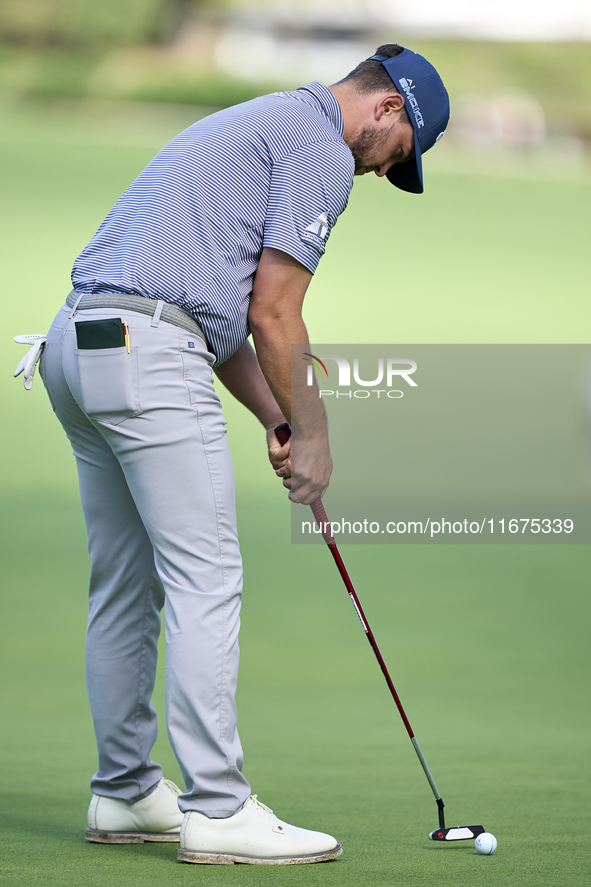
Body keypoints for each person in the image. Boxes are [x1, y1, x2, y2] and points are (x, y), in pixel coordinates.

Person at [32, 43, 449, 866]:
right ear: (388, 110)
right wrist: (318, 435)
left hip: (77, 345)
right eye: (396, 158)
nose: (377, 175)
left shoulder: (253, 121)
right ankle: (218, 807)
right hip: (149, 351)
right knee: (206, 575)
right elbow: (275, 314)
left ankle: (123, 792)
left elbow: (209, 310)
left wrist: (274, 414)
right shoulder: (319, 148)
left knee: (125, 582)